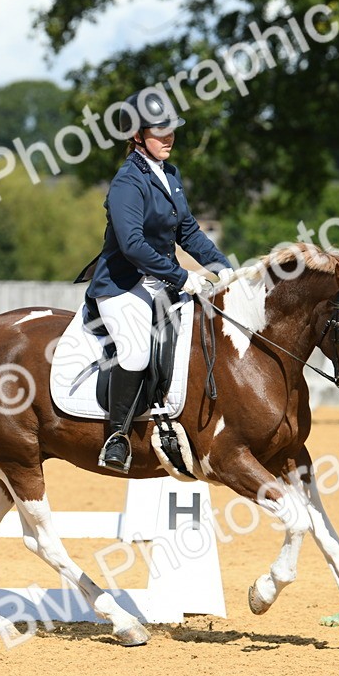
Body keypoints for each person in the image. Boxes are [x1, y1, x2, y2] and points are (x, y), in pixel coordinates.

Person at [76, 89, 235, 473]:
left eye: (171, 129)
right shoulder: (127, 182)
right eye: (159, 131)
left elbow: (187, 231)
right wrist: (183, 277)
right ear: (136, 135)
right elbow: (132, 245)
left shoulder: (170, 175)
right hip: (122, 287)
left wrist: (222, 266)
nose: (169, 137)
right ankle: (117, 436)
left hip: (160, 285)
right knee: (135, 351)